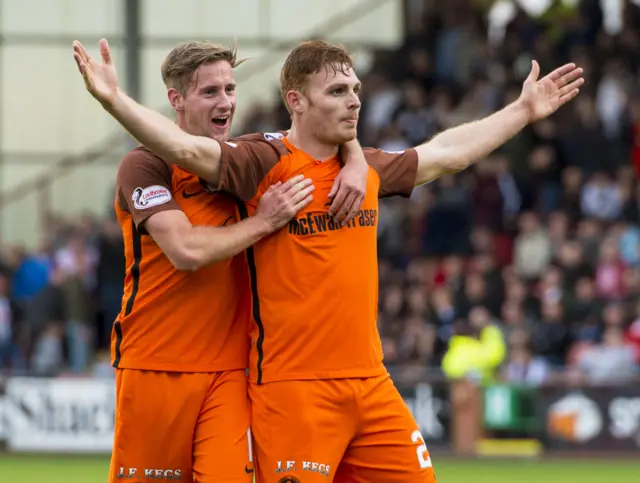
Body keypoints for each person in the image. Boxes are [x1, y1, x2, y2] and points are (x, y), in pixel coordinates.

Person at [73, 38, 583, 482]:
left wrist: (522, 111)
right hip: (282, 388)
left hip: (365, 380)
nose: (355, 101)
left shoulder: (362, 168)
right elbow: (190, 162)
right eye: (339, 92)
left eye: (357, 90)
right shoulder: (257, 165)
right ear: (295, 101)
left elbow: (447, 152)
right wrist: (114, 101)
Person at [88, 40, 369, 483]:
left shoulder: (245, 160)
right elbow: (186, 252)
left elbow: (312, 137)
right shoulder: (144, 166)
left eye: (230, 89)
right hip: (155, 365)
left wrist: (354, 159)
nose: (226, 102)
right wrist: (264, 221)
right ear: (176, 99)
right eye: (211, 92)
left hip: (230, 372)